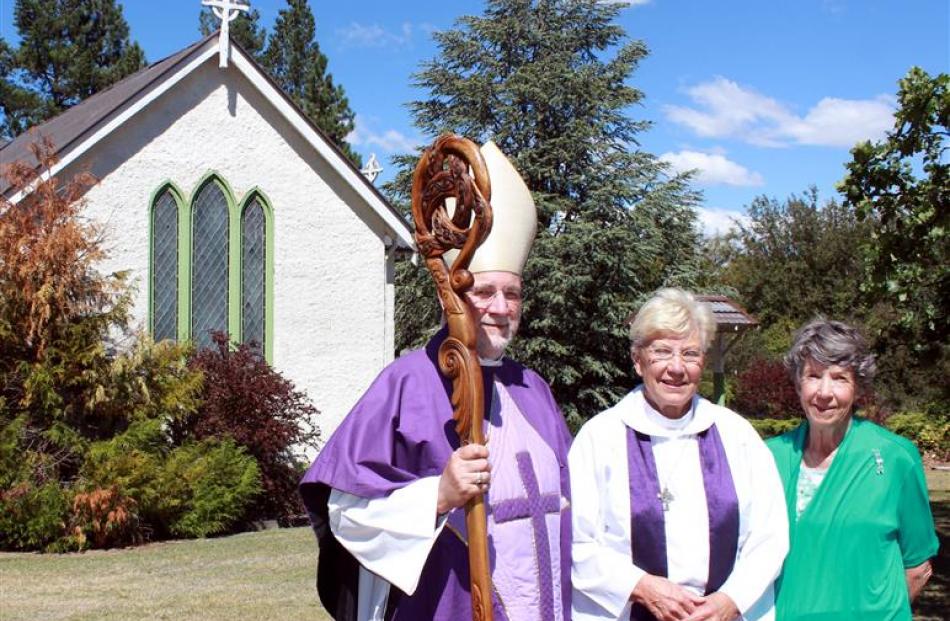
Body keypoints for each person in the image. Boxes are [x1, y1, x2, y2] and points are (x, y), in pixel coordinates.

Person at [299, 141, 573, 621]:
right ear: (453, 293)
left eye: (513, 294)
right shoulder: (405, 384)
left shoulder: (535, 389)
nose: (501, 308)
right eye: (485, 291)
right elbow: (345, 514)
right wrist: (438, 496)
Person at [569, 288, 788, 621]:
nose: (676, 367)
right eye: (662, 351)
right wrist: (641, 586)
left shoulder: (736, 435)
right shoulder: (600, 438)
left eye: (690, 353)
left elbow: (769, 535)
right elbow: (576, 541)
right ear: (638, 360)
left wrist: (731, 599)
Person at [766, 319, 938, 621]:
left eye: (839, 378)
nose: (824, 391)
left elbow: (918, 568)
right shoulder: (768, 457)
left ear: (858, 387)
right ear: (797, 383)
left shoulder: (896, 458)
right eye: (813, 376)